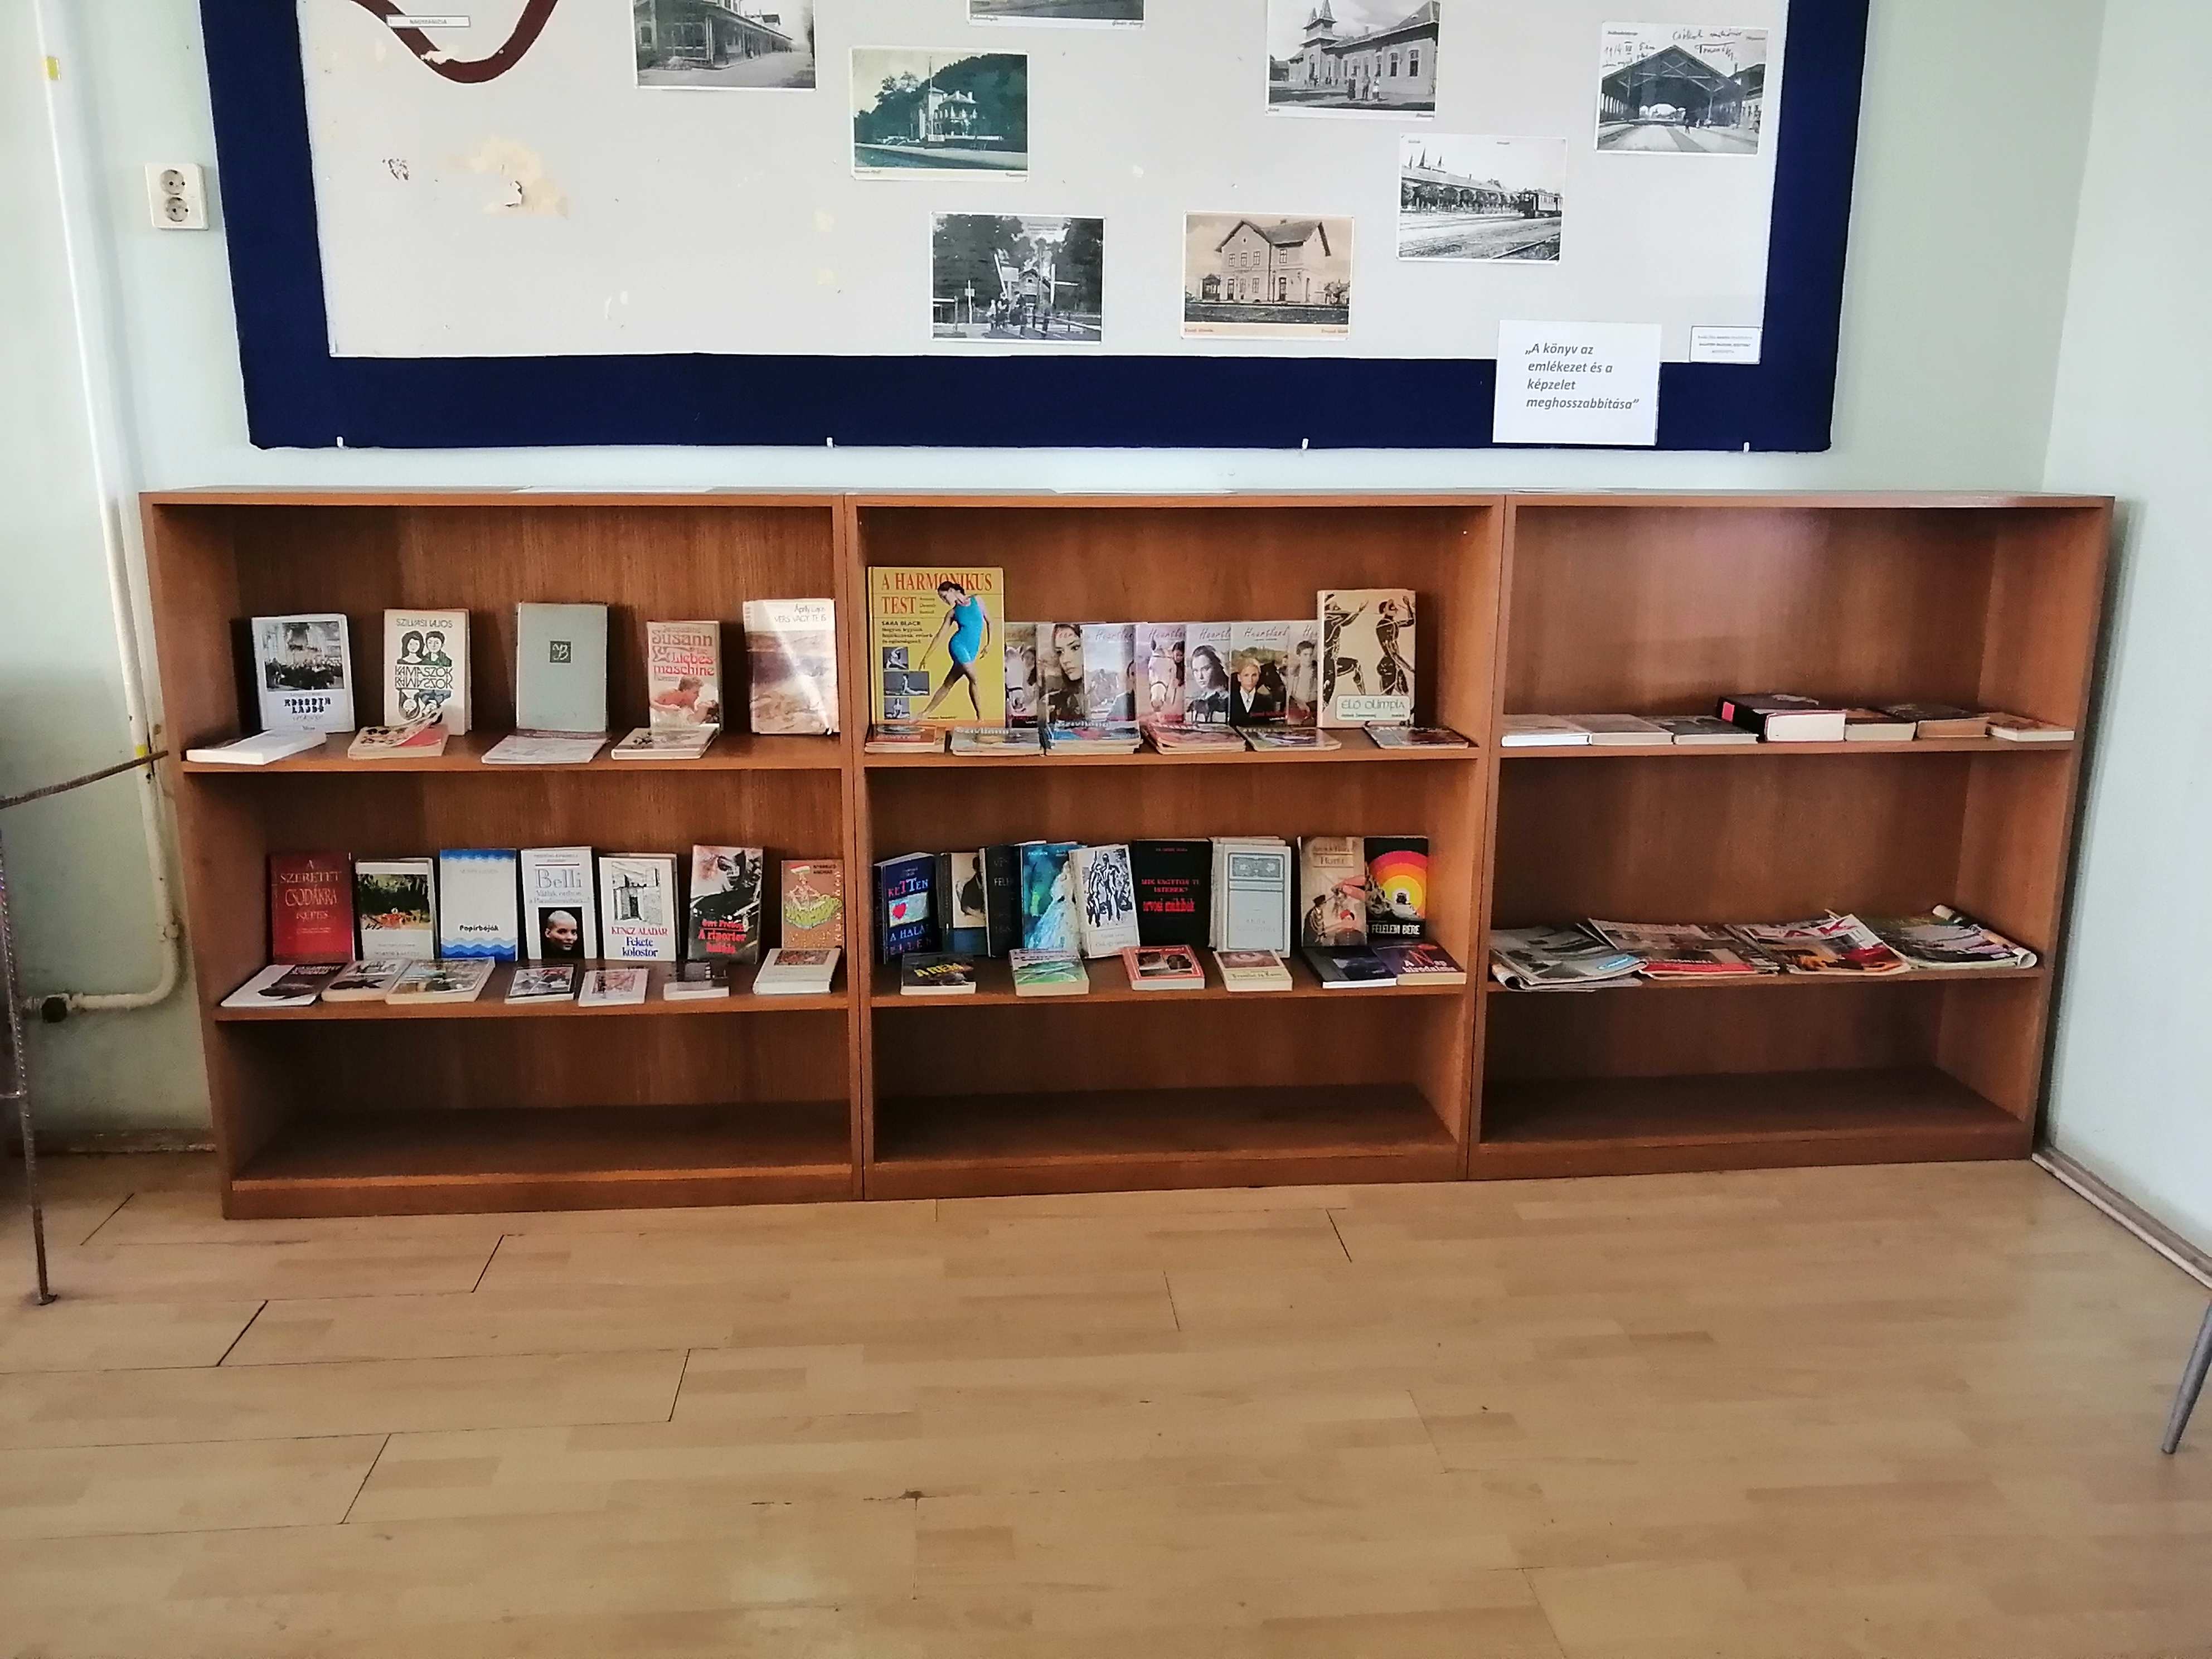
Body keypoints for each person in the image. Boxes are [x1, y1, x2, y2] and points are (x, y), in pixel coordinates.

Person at [919, 580, 991, 720]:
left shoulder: (977, 600)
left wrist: (989, 644)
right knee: (974, 678)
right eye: (942, 599)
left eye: (944, 597)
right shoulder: (952, 613)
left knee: (948, 684)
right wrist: (926, 657)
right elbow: (939, 635)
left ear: (952, 591)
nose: (944, 601)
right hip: (958, 645)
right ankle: (981, 718)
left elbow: (990, 621)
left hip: (972, 650)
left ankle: (925, 713)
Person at [1186, 646, 1231, 724]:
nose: (1200, 676)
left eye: (1205, 669)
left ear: (1216, 668)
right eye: (1196, 671)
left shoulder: (1227, 699)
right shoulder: (1196, 701)